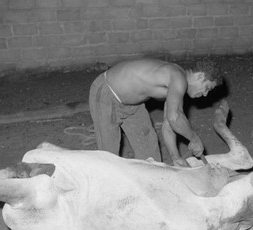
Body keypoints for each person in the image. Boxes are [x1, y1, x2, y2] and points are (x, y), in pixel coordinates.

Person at [88, 58, 224, 167]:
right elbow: (175, 118)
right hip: (107, 94)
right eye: (207, 88)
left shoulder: (176, 84)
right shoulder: (178, 77)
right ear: (200, 76)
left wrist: (175, 157)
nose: (205, 94)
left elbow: (169, 124)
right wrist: (194, 139)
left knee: (150, 154)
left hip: (133, 105)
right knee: (108, 160)